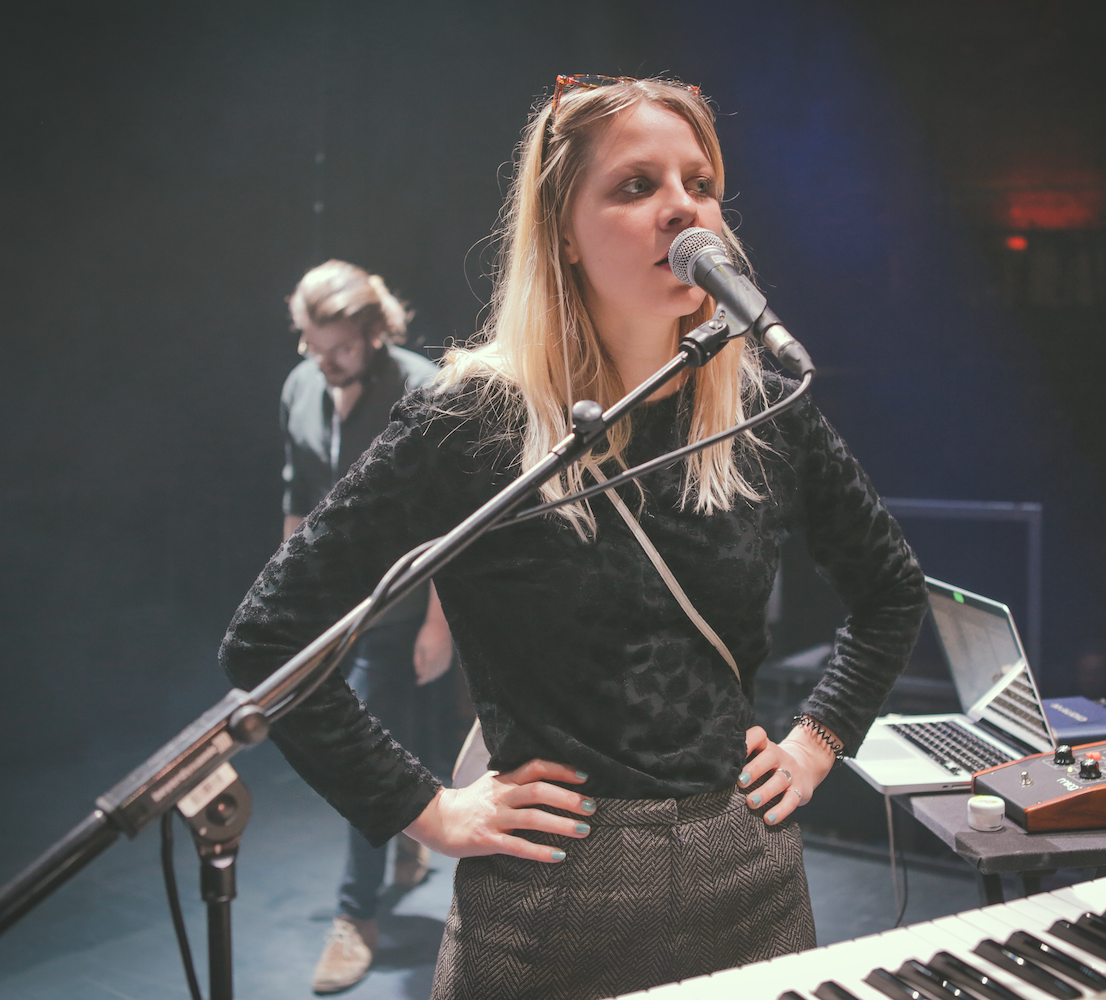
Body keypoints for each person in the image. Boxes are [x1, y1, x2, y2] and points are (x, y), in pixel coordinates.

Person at [223, 77, 927, 1000]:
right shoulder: (467, 417)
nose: (683, 206)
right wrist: (424, 809)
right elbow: (270, 639)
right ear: (560, 229)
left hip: (749, 878)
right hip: (548, 899)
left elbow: (890, 591)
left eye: (700, 182)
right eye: (636, 186)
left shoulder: (760, 404)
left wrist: (816, 741)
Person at [279, 260, 456, 994]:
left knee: (371, 744)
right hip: (337, 598)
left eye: (340, 350)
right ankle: (403, 852)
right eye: (312, 347)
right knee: (377, 737)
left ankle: (357, 916)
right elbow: (297, 496)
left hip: (408, 597)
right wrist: (283, 602)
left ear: (376, 334)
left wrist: (439, 624)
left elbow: (451, 519)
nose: (324, 363)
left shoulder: (421, 387)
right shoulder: (299, 386)